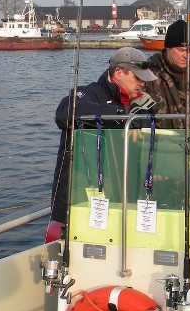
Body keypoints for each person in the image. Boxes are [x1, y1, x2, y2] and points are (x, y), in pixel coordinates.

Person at [49, 47, 157, 225]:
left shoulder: (143, 106)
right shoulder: (89, 94)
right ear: (118, 72)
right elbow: (64, 113)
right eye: (137, 78)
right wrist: (119, 116)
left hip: (124, 202)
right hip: (81, 203)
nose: (142, 83)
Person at [145, 20, 190, 131]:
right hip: (161, 144)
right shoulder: (148, 76)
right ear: (168, 47)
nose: (186, 55)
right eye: (181, 50)